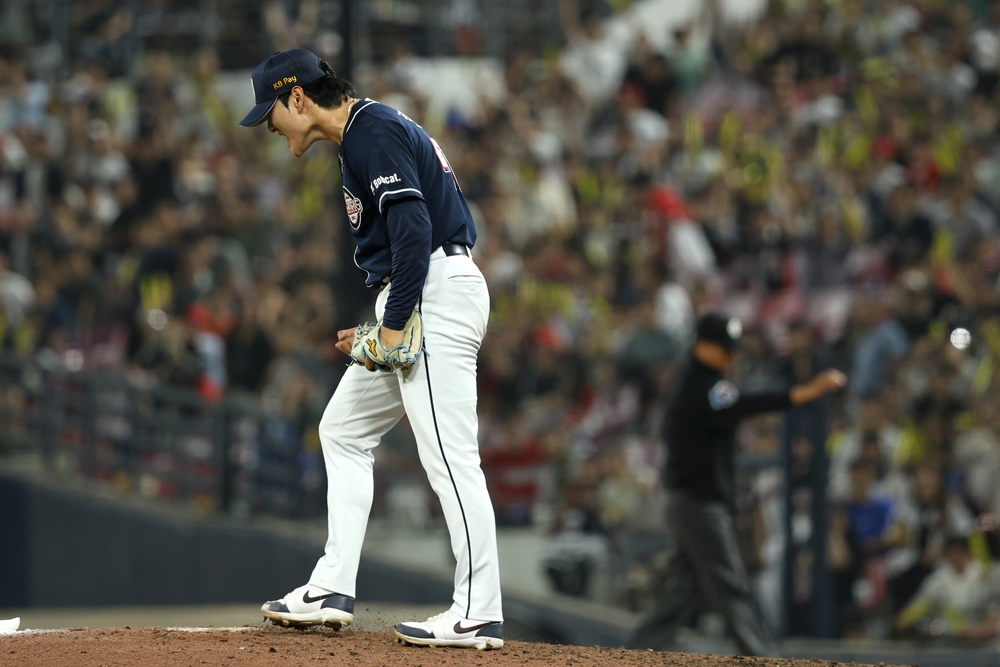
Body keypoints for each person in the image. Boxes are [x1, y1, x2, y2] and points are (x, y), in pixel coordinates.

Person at [239, 48, 503, 650]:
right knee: (343, 430)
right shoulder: (363, 134)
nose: (270, 126)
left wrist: (392, 325)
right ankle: (333, 587)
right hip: (419, 293)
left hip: (433, 291)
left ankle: (478, 610)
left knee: (450, 458)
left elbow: (413, 229)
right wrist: (388, 315)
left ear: (297, 98)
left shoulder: (370, 129)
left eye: (271, 113)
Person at [628, 312, 847, 656]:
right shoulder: (700, 385)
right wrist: (802, 393)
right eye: (725, 348)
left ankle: (639, 651)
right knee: (730, 584)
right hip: (699, 502)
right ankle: (761, 658)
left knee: (686, 588)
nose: (733, 355)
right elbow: (746, 403)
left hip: (688, 499)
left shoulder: (697, 381)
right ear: (703, 346)